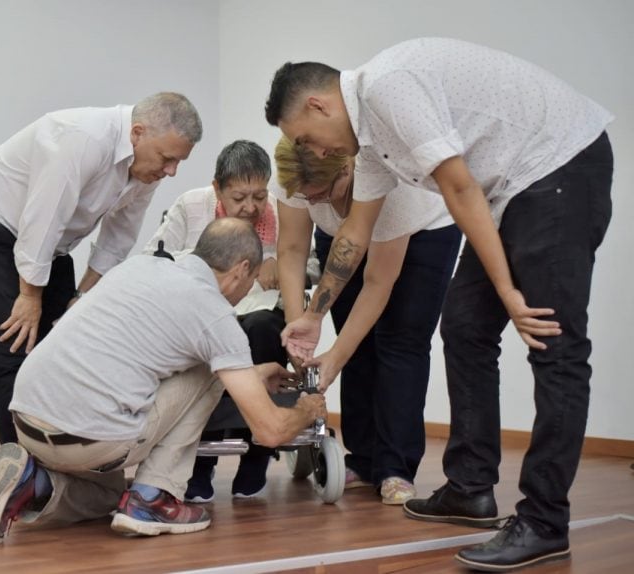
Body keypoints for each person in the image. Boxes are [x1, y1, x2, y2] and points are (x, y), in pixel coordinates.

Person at [264, 38, 613, 571]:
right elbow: (354, 236)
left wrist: (508, 291)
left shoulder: (387, 86)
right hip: (511, 191)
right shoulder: (373, 140)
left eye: (306, 139)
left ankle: (545, 520)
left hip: (558, 167)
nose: (310, 151)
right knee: (466, 328)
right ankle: (470, 488)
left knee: (552, 343)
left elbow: (458, 187)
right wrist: (314, 313)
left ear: (319, 105)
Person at [0, 218, 327, 543]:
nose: (249, 290)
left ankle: (33, 484)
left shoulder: (139, 267)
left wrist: (254, 374)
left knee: (107, 496)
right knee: (211, 370)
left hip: (26, 420)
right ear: (240, 270)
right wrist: (308, 409)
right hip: (91, 439)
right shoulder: (214, 314)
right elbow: (269, 431)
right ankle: (154, 497)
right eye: (252, 281)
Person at [0, 93, 202, 445]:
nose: (171, 171)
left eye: (178, 162)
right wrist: (29, 294)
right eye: (167, 158)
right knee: (12, 351)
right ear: (137, 133)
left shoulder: (148, 168)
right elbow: (44, 217)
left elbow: (118, 237)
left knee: (64, 350)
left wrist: (82, 295)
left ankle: (59, 464)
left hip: (50, 244)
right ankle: (21, 472)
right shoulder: (82, 138)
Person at [274, 137, 460, 504]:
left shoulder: (388, 176)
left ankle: (395, 467)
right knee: (355, 343)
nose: (313, 202)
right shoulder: (293, 171)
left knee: (399, 341)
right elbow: (293, 251)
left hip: (424, 230)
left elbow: (378, 283)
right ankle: (363, 458)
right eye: (306, 197)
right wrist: (299, 327)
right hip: (342, 236)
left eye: (322, 193)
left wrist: (334, 359)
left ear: (346, 169)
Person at [144, 139, 296, 501]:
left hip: (260, 311)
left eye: (258, 196)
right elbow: (155, 257)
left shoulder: (281, 211)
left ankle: (257, 454)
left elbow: (308, 263)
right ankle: (201, 464)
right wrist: (210, 267)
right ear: (218, 188)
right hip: (205, 310)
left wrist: (285, 264)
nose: (250, 208)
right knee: (203, 351)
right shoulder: (190, 206)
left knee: (261, 329)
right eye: (239, 197)